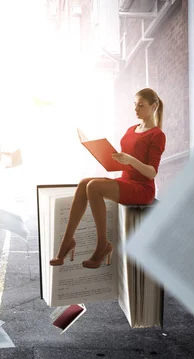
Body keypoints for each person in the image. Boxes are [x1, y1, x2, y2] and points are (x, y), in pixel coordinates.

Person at [49, 88, 166, 269]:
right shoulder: (131, 129)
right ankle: (67, 241)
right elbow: (127, 159)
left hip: (142, 188)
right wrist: (111, 158)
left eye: (141, 105)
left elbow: (152, 172)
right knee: (84, 183)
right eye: (134, 105)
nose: (136, 109)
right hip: (125, 179)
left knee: (94, 187)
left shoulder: (157, 135)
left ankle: (103, 245)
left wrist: (130, 160)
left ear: (154, 106)